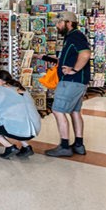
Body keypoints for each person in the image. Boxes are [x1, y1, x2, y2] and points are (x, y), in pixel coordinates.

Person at [43, 11, 92, 158]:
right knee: (75, 111)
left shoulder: (75, 36)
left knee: (57, 110)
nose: (57, 26)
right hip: (77, 82)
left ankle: (64, 146)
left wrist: (74, 70)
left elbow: (85, 54)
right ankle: (79, 145)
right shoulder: (71, 37)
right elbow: (71, 57)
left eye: (60, 23)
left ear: (69, 23)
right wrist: (45, 58)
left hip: (71, 81)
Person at [0, 69, 42, 159]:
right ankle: (26, 147)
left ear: (0, 80)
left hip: (19, 128)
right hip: (35, 129)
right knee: (15, 123)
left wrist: (0, 118)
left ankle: (10, 147)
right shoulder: (22, 89)